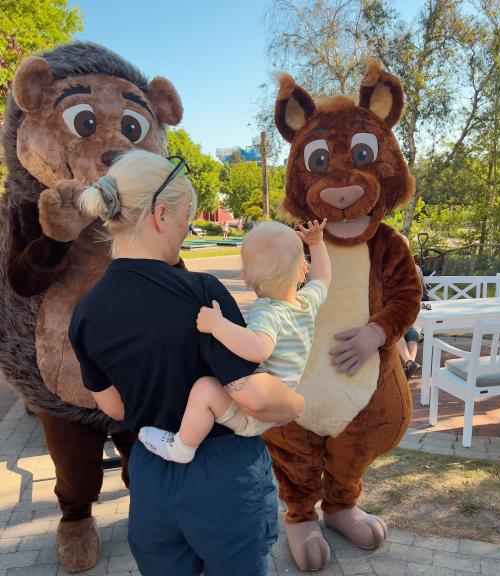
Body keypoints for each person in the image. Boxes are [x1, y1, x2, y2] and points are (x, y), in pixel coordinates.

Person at [68, 150, 304, 576]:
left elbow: (116, 408)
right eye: (184, 219)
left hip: (151, 471)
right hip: (222, 476)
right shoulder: (200, 293)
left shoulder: (85, 312)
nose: (186, 229)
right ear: (161, 214)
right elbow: (253, 396)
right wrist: (299, 404)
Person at [139, 219, 331, 463]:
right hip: (278, 403)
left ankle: (182, 446)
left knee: (204, 389)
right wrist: (317, 243)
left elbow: (258, 348)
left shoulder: (269, 312)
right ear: (303, 269)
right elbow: (323, 278)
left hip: (253, 413)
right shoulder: (307, 303)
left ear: (246, 277)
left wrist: (218, 326)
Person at [396, 264, 427, 378]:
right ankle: (410, 364)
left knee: (396, 329)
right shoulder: (416, 268)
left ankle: (409, 362)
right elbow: (423, 291)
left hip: (400, 309)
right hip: (412, 308)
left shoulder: (392, 267)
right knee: (412, 329)